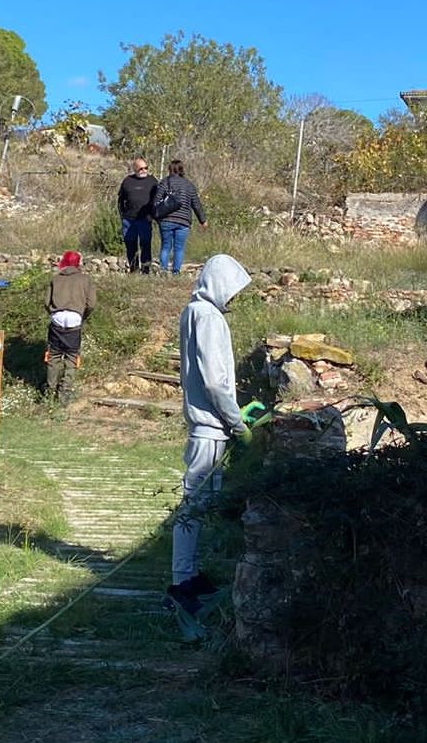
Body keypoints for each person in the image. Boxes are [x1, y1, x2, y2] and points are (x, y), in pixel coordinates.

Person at [166, 253, 252, 619]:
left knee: (199, 505)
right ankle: (181, 581)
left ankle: (191, 573)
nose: (232, 298)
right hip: (211, 425)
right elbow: (216, 381)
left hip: (206, 421)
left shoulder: (193, 311)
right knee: (194, 505)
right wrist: (237, 424)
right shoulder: (209, 317)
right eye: (231, 290)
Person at [44, 250, 94, 406]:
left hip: (57, 318)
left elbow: (47, 302)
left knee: (53, 356)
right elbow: (91, 303)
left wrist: (53, 313)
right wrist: (82, 316)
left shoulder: (56, 279)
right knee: (72, 357)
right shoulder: (86, 280)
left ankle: (50, 390)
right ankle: (65, 392)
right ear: (78, 263)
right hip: (74, 319)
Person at [153, 159, 208, 276]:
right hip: (183, 221)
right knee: (179, 248)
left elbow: (156, 201)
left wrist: (156, 216)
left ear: (170, 169)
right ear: (182, 170)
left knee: (166, 246)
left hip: (166, 219)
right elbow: (196, 204)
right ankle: (176, 272)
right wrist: (202, 220)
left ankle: (163, 271)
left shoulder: (164, 182)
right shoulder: (189, 185)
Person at [116, 158, 158, 273]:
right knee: (130, 245)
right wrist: (123, 215)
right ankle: (133, 269)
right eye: (141, 168)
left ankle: (145, 270)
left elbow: (158, 200)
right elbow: (121, 200)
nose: (144, 170)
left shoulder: (152, 181)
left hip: (145, 219)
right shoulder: (127, 181)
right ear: (135, 169)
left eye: (146, 168)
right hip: (129, 220)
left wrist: (153, 215)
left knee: (145, 245)